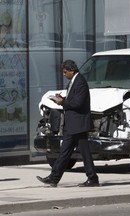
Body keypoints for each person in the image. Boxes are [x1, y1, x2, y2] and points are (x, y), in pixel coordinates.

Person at [36, 59, 99, 187]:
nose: (64, 74)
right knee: (65, 152)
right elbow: (73, 100)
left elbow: (78, 103)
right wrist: (61, 99)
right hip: (73, 124)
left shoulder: (80, 82)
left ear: (72, 70)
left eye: (65, 72)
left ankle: (92, 178)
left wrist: (62, 102)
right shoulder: (73, 81)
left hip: (78, 124)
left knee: (83, 153)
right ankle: (54, 178)